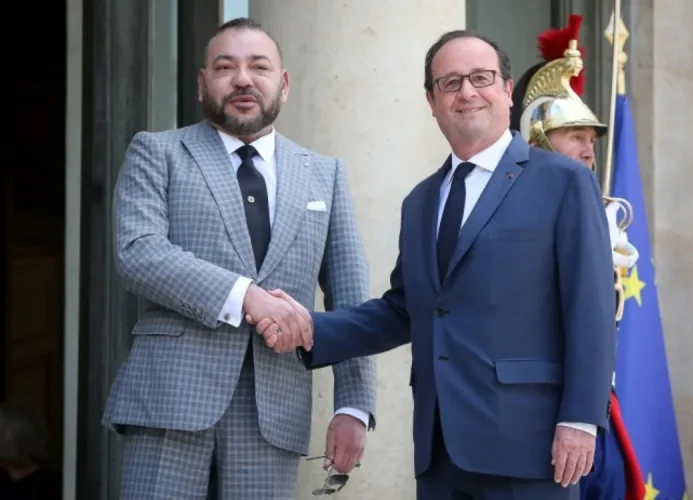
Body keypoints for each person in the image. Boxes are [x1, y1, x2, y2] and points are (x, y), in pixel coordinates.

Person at [254, 29, 617, 500]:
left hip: (532, 447)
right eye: (450, 83)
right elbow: (406, 309)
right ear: (431, 100)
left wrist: (580, 418)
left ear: (507, 90)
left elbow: (590, 307)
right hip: (440, 450)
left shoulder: (563, 182)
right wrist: (311, 330)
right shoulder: (421, 201)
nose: (467, 92)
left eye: (481, 78)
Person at [102, 17, 375, 499]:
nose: (243, 79)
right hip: (170, 401)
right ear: (203, 83)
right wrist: (246, 296)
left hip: (274, 411)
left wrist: (353, 405)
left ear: (283, 84)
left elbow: (350, 298)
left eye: (259, 67)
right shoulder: (157, 152)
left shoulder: (325, 175)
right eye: (226, 67)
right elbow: (138, 252)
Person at [509, 15, 646, 500]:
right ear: (539, 139)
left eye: (592, 139)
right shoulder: (506, 218)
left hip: (598, 413)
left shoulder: (605, 216)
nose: (590, 151)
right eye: (575, 137)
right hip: (532, 422)